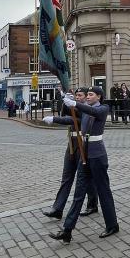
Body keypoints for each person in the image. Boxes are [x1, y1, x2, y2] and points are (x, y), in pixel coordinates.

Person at [44, 87, 119, 243]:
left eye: (91, 94)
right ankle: (67, 230)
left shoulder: (102, 109)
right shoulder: (86, 110)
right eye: (88, 94)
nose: (89, 96)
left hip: (97, 155)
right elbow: (73, 120)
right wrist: (54, 119)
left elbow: (92, 112)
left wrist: (75, 104)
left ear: (99, 96)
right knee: (78, 194)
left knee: (103, 191)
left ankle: (112, 225)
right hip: (84, 155)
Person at [42, 88, 98, 220]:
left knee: (86, 177)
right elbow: (66, 113)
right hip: (71, 144)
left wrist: (54, 119)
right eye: (76, 96)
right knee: (66, 177)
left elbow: (73, 120)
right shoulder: (75, 107)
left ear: (86, 97)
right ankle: (58, 208)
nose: (77, 98)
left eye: (80, 96)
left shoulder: (87, 110)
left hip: (82, 144)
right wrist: (63, 99)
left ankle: (92, 204)